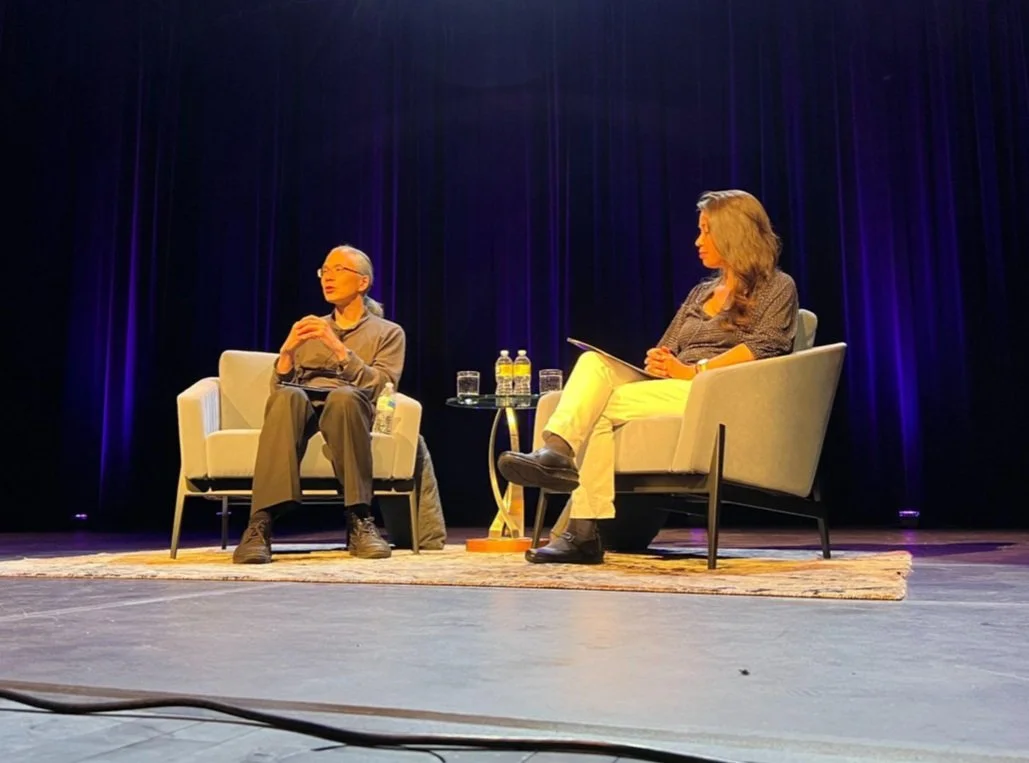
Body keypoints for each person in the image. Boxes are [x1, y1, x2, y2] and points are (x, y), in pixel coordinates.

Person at [498, 190, 799, 565]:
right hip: (672, 389)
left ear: (733, 233)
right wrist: (660, 361)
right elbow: (668, 345)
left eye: (706, 231)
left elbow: (766, 346)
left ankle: (580, 526)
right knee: (593, 363)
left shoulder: (777, 286)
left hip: (717, 395)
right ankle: (559, 459)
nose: (697, 241)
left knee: (597, 409)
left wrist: (695, 371)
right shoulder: (701, 292)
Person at [233, 245, 405, 564]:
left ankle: (360, 519)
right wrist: (286, 353)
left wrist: (337, 349)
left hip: (351, 407)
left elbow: (382, 386)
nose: (328, 277)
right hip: (304, 403)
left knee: (344, 397)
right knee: (286, 397)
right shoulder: (309, 328)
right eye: (324, 271)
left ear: (363, 282)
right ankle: (260, 524)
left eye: (338, 270)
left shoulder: (388, 333)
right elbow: (279, 390)